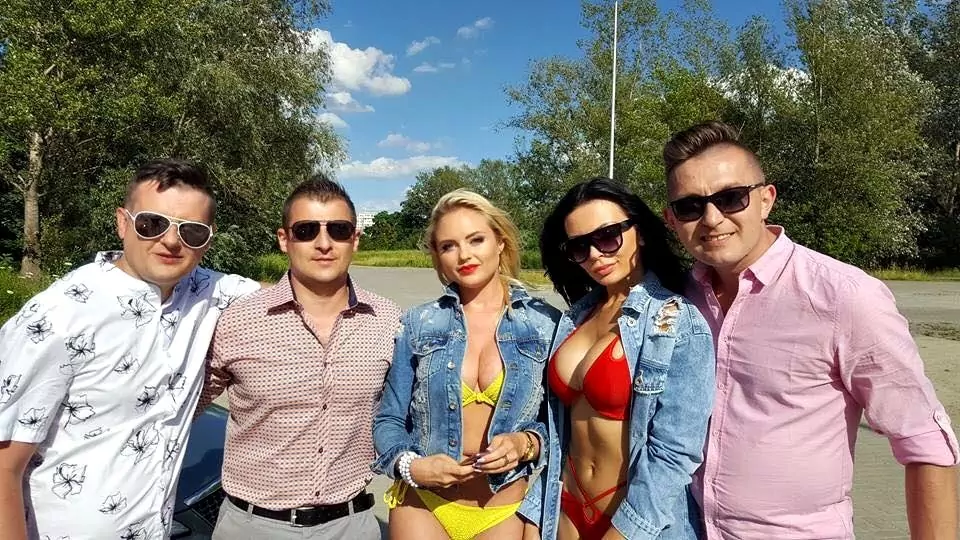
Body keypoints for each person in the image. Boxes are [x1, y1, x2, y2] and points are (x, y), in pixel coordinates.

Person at [661, 120, 960, 539]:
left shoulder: (844, 297)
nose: (712, 218)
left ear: (765, 200)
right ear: (671, 219)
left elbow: (924, 441)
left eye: (731, 198)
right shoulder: (675, 300)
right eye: (690, 206)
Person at [0, 159, 259, 539]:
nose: (172, 241)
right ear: (123, 222)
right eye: (152, 224)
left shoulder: (210, 293)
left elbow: (299, 297)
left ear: (208, 239)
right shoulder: (59, 315)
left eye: (192, 231)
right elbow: (4, 465)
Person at [196, 176, 400, 539]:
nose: (324, 243)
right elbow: (179, 411)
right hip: (253, 527)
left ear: (355, 239)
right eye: (306, 230)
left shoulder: (388, 321)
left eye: (338, 230)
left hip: (351, 525)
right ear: (283, 239)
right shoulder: (237, 320)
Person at [372, 189, 559, 540]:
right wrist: (411, 467)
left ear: (500, 242)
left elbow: (562, 427)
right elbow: (389, 419)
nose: (464, 255)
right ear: (437, 256)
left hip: (503, 509)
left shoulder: (545, 324)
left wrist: (526, 443)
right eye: (449, 246)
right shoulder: (418, 323)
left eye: (476, 240)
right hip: (424, 504)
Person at [535, 177, 715, 540]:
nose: (595, 255)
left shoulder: (676, 322)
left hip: (636, 525)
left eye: (607, 236)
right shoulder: (575, 318)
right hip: (565, 510)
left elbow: (675, 453)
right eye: (579, 246)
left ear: (641, 233)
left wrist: (624, 532)